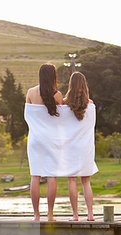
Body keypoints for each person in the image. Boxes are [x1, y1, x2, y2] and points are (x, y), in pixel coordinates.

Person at [26, 63, 63, 221]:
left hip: (35, 139)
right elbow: (62, 120)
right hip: (51, 139)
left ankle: (36, 215)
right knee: (51, 176)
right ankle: (50, 214)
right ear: (53, 76)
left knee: (35, 176)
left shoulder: (31, 92)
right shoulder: (57, 95)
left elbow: (27, 116)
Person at [63, 72, 95, 221]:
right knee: (86, 181)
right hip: (86, 147)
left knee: (72, 181)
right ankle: (90, 214)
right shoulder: (91, 105)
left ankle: (75, 215)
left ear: (71, 85)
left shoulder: (64, 104)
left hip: (70, 148)